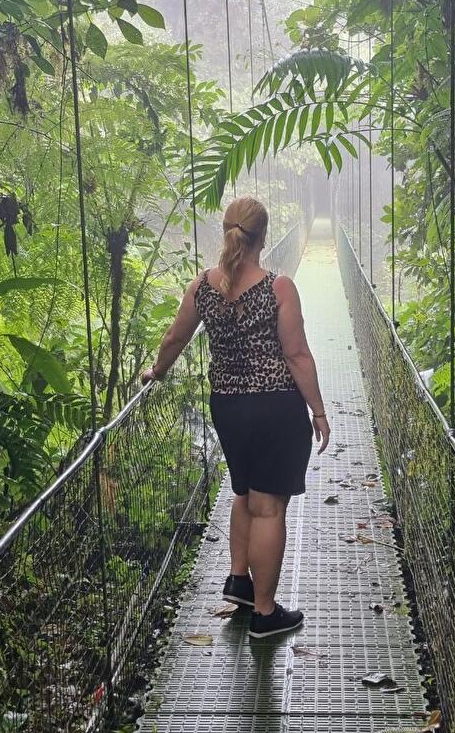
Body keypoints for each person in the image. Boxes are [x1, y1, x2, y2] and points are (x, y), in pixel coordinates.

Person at [142, 196, 330, 638]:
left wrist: (156, 372)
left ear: (226, 230)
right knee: (269, 508)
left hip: (227, 408)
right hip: (275, 409)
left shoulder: (202, 287)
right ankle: (265, 613)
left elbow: (174, 339)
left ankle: (239, 581)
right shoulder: (278, 288)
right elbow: (297, 355)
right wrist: (318, 410)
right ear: (262, 238)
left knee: (243, 493)